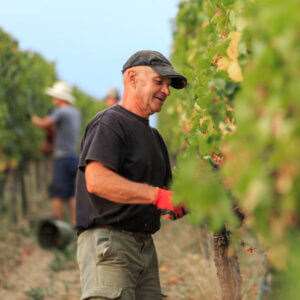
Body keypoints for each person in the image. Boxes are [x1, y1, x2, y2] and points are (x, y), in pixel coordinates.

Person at [75, 50, 187, 300]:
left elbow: (164, 196)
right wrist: (158, 197)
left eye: (168, 85)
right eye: (159, 82)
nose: (166, 91)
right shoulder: (110, 123)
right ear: (132, 78)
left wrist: (181, 202)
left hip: (144, 246)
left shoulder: (154, 138)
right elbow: (96, 180)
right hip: (111, 244)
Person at [32, 81, 81, 225]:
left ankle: (57, 228)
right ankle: (75, 224)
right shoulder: (75, 112)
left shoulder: (61, 111)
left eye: (54, 96)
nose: (53, 99)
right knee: (72, 193)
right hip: (73, 156)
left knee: (57, 193)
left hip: (62, 158)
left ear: (60, 98)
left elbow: (44, 123)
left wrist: (33, 119)